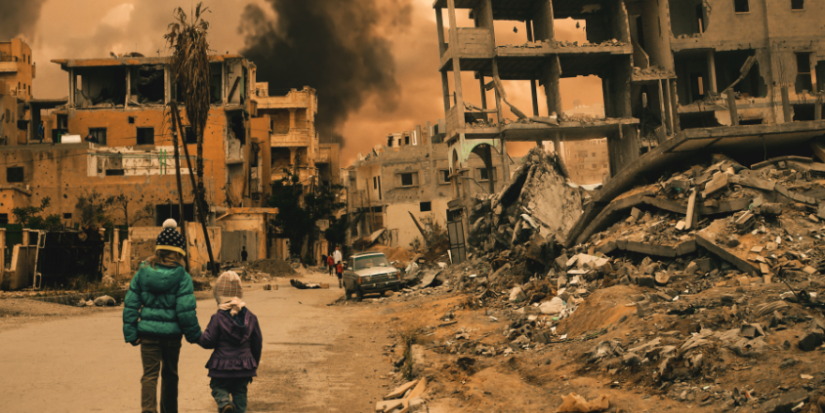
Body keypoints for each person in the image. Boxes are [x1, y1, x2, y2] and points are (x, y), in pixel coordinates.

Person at [123, 219, 202, 413]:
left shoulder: (143, 271)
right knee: (170, 375)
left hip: (148, 335)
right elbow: (185, 311)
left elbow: (131, 304)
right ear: (179, 252)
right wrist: (194, 335)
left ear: (159, 250)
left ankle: (148, 410)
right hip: (172, 337)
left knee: (149, 375)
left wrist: (131, 333)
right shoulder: (182, 277)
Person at [198, 271, 263, 413]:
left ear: (219, 297)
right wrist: (253, 365)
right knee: (240, 393)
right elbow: (257, 344)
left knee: (218, 387)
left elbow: (208, 341)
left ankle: (224, 402)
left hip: (222, 367)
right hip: (244, 366)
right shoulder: (251, 317)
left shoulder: (218, 318)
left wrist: (196, 335)